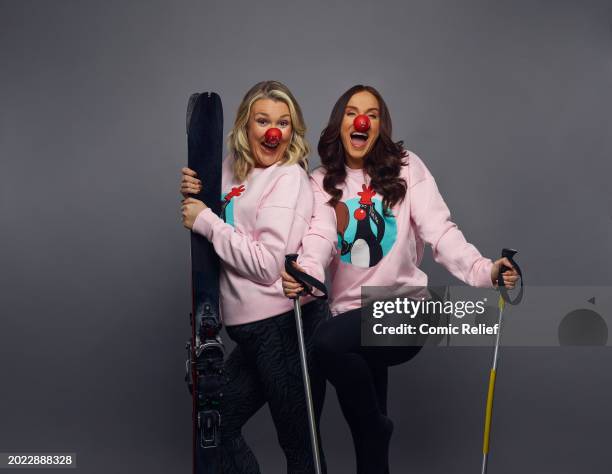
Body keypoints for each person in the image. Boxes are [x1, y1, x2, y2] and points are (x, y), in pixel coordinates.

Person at [282, 84, 519, 473]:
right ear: (340, 123)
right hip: (352, 317)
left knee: (327, 347)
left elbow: (440, 232)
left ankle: (377, 429)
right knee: (367, 445)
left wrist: (484, 269)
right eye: (353, 112)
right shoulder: (322, 180)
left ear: (379, 126)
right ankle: (375, 435)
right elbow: (319, 240)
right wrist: (304, 277)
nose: (362, 120)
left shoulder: (406, 167)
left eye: (372, 115)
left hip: (405, 309)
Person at [181, 80, 328, 474]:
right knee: (217, 423)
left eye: (283, 122)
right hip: (250, 331)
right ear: (246, 125)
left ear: (292, 132)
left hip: (286, 325)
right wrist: (199, 192)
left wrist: (207, 221)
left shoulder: (288, 178)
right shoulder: (231, 170)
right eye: (263, 120)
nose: (272, 131)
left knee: (300, 448)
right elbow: (212, 212)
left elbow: (266, 264)